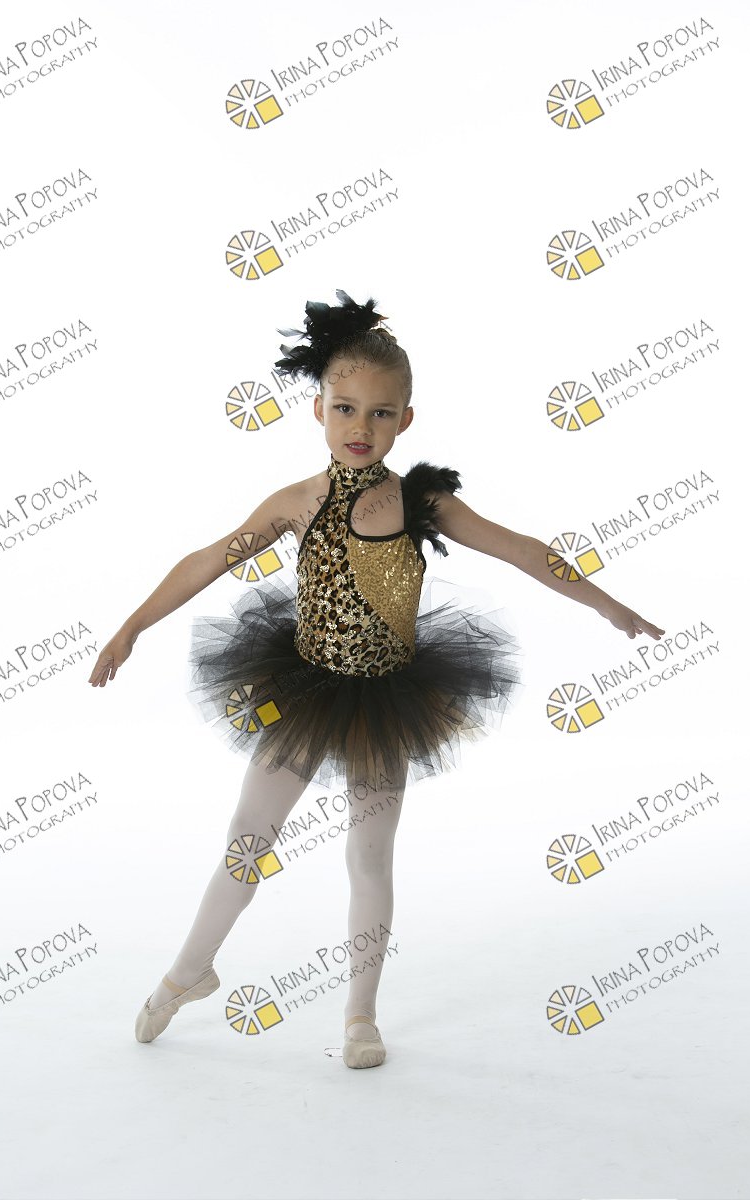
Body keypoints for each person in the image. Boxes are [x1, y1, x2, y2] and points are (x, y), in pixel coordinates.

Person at [88, 289, 664, 1069]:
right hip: (304, 692)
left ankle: (360, 1015)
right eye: (345, 408)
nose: (361, 427)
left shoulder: (421, 501)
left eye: (381, 413)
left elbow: (524, 549)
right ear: (318, 409)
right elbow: (207, 559)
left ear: (406, 420)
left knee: (368, 856)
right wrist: (132, 625)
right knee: (247, 842)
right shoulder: (297, 502)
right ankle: (188, 972)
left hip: (385, 702)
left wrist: (608, 605)